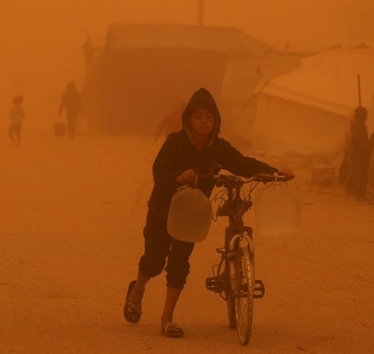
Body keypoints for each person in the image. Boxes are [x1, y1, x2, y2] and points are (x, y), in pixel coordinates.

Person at [123, 88, 293, 339]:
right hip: (163, 211)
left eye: (209, 117)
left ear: (216, 121)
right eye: (198, 116)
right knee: (154, 261)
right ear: (188, 119)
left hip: (191, 213)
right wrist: (179, 177)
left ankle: (167, 318)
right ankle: (137, 291)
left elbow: (244, 164)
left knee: (179, 263)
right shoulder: (175, 142)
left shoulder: (219, 148)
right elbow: (159, 172)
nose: (204, 121)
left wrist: (275, 172)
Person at [344, 107, 371, 199]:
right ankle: (358, 192)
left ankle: (351, 188)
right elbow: (362, 143)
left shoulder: (356, 127)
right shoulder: (360, 128)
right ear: (363, 116)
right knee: (362, 174)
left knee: (357, 172)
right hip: (360, 154)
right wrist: (367, 151)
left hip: (356, 154)